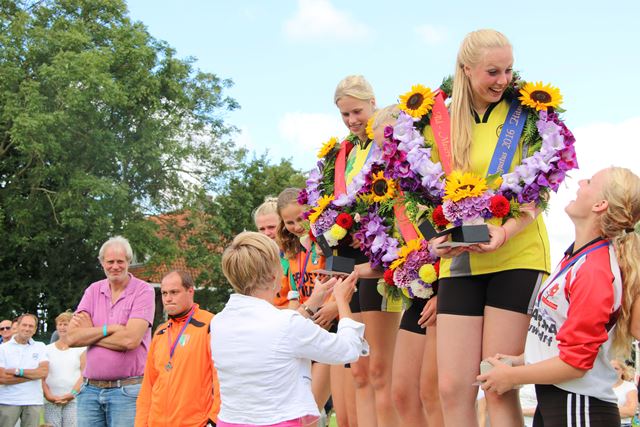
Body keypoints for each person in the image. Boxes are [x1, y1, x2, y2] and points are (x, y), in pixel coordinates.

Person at [431, 29, 551, 426]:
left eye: (508, 70)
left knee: (497, 383)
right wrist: (434, 241)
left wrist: (504, 232)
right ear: (466, 70)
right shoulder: (437, 122)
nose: (503, 80)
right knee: (452, 387)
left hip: (516, 255)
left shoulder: (530, 114)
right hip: (461, 261)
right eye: (492, 72)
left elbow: (540, 191)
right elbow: (420, 193)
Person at [478, 167, 640, 426]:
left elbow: (575, 364)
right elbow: (557, 339)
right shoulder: (576, 258)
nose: (581, 182)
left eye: (589, 181)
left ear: (599, 205)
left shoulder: (594, 270)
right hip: (560, 404)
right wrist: (518, 362)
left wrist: (512, 377)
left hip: (580, 407)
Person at [211, 231, 368, 427]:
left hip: (230, 421)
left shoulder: (219, 322)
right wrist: (342, 302)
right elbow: (348, 349)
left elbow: (273, 333)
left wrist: (313, 302)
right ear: (273, 276)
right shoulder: (285, 324)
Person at [333, 74, 402, 427]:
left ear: (373, 102)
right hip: (353, 259)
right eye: (345, 115)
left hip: (381, 257)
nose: (351, 121)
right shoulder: (344, 153)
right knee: (359, 370)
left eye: (357, 111)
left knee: (379, 370)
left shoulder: (388, 139)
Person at [67, 235, 155, 427]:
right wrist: (111, 330)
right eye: (110, 262)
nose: (115, 266)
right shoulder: (93, 290)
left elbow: (130, 340)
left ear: (128, 262)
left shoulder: (144, 291)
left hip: (127, 391)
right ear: (102, 263)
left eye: (120, 261)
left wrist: (90, 333)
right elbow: (71, 338)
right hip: (89, 390)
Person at [276, 188, 333, 425]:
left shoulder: (326, 243)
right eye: (289, 222)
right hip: (303, 332)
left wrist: (332, 308)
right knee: (297, 412)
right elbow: (294, 295)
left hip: (328, 329)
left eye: (301, 218)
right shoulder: (291, 251)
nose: (297, 226)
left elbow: (340, 279)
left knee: (309, 410)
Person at [136, 271, 220, 427]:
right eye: (164, 293)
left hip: (195, 423)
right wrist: (141, 424)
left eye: (174, 292)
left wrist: (213, 421)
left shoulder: (210, 325)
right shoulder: (160, 332)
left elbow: (221, 380)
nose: (168, 298)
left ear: (190, 291)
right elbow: (148, 385)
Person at [0, 313, 49, 427]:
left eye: (31, 326)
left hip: (33, 401)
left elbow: (43, 372)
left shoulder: (40, 346)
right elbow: (2, 378)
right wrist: (33, 376)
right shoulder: (2, 349)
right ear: (17, 326)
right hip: (8, 401)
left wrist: (18, 372)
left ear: (35, 330)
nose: (27, 329)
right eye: (24, 325)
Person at [43, 312, 86, 427]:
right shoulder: (46, 349)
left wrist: (72, 394)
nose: (62, 327)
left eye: (66, 324)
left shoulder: (81, 348)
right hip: (51, 400)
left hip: (74, 400)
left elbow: (84, 375)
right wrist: (48, 396)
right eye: (60, 324)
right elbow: (42, 376)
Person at [254, 196, 291, 309]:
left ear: (283, 225)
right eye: (262, 229)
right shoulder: (258, 259)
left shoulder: (299, 254)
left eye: (271, 227)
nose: (266, 233)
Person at [611, 359, 638, 426]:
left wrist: (605, 409)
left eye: (616, 369)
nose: (613, 371)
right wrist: (622, 409)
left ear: (623, 370)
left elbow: (631, 411)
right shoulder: (601, 387)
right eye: (610, 368)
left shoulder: (629, 386)